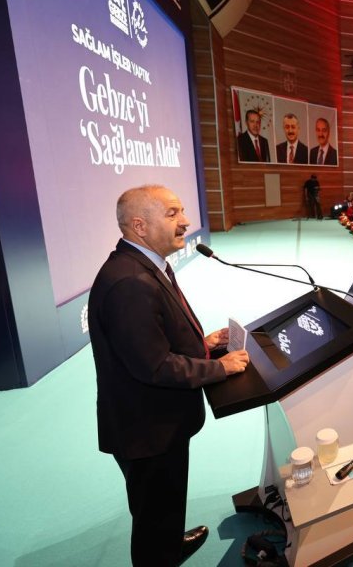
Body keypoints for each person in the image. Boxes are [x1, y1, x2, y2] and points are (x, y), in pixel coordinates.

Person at [89, 185, 249, 565]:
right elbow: (154, 366)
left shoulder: (143, 264)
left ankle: (169, 543)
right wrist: (218, 367)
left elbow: (152, 338)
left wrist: (202, 344)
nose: (187, 222)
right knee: (154, 516)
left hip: (155, 423)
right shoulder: (130, 281)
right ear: (140, 226)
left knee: (164, 506)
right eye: (173, 213)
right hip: (148, 430)